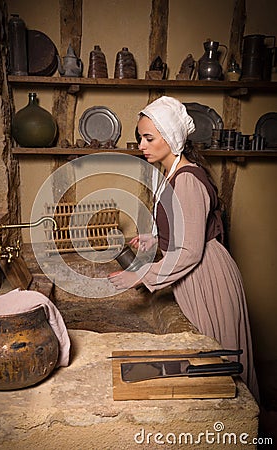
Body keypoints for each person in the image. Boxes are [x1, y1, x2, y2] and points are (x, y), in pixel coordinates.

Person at [108, 96, 259, 402]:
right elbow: (187, 228)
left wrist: (141, 275)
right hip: (196, 273)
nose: (141, 145)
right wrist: (156, 240)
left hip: (207, 275)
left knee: (225, 365)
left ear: (172, 138)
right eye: (140, 138)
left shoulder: (187, 179)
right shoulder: (172, 175)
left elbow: (190, 251)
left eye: (149, 138)